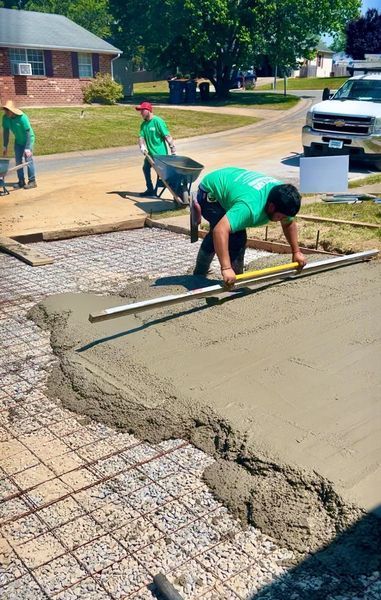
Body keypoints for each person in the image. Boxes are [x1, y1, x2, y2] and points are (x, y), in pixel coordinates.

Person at [192, 167, 306, 285]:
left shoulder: (284, 197)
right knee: (234, 236)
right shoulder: (250, 207)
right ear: (271, 207)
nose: (282, 220)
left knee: (223, 232)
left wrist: (296, 252)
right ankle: (223, 278)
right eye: (280, 217)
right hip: (210, 191)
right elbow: (220, 231)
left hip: (233, 182)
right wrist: (226, 268)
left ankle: (201, 274)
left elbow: (289, 223)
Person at [136, 101, 176, 197]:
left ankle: (176, 191)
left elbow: (167, 135)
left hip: (160, 155)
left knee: (164, 176)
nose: (140, 113)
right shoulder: (144, 125)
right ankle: (150, 189)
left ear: (148, 110)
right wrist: (142, 146)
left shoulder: (158, 121)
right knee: (145, 168)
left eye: (142, 110)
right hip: (150, 155)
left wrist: (173, 150)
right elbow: (141, 137)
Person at [2, 100, 37, 189]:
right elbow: (6, 132)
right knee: (18, 161)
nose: (5, 112)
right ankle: (21, 181)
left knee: (28, 160)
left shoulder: (22, 117)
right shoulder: (5, 118)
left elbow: (28, 133)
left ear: (12, 110)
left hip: (28, 140)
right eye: (5, 110)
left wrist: (28, 147)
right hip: (18, 141)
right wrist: (5, 146)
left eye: (7, 110)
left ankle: (32, 181)